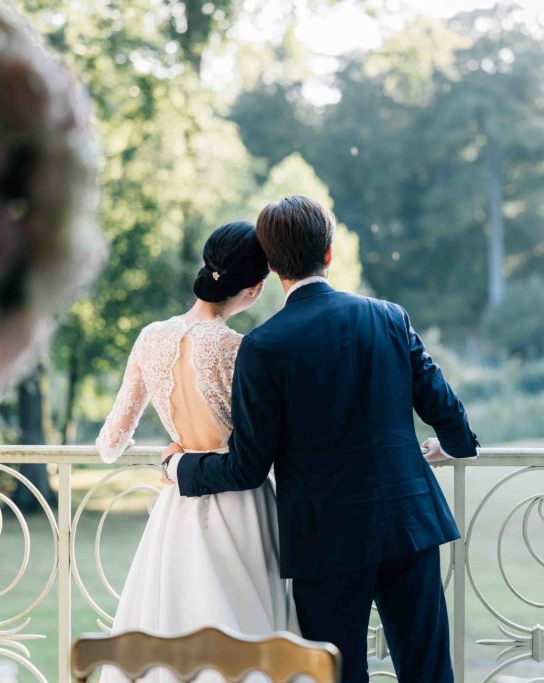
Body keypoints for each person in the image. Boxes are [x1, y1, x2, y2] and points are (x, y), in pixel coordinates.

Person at [161, 195, 479, 683]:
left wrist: (179, 467)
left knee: (336, 675)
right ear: (329, 253)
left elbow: (247, 466)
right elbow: (446, 410)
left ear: (271, 266)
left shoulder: (263, 346)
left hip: (325, 540)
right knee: (429, 671)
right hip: (408, 521)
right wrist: (453, 446)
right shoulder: (389, 316)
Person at [95, 221, 296, 683]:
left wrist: (172, 451)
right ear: (254, 287)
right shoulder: (239, 349)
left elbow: (110, 444)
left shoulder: (151, 338)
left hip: (179, 506)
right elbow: (268, 441)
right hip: (242, 504)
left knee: (174, 630)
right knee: (247, 640)